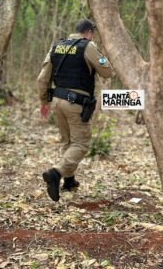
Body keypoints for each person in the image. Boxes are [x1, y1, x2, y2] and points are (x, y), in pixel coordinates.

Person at [37, 19, 114, 202]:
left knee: (68, 141)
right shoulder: (88, 46)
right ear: (89, 33)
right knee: (81, 143)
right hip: (76, 103)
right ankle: (56, 173)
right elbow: (107, 72)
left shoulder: (57, 46)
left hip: (57, 101)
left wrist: (43, 102)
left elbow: (42, 78)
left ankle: (69, 181)